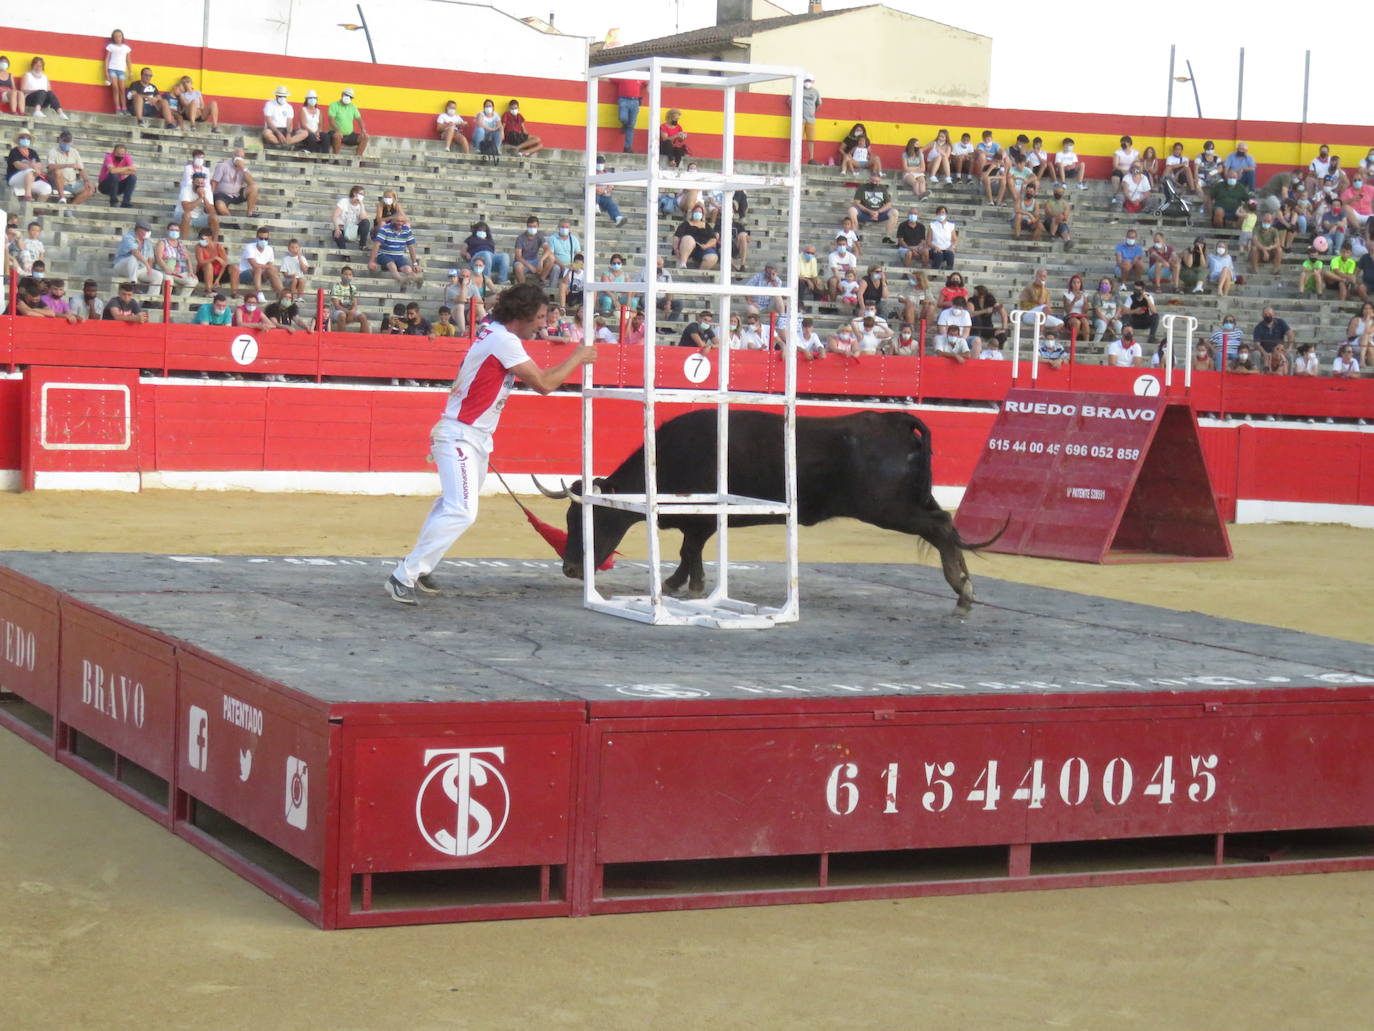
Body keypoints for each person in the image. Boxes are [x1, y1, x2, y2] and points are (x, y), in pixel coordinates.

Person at [385, 283, 598, 604]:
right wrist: (577, 357)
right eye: (539, 316)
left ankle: (420, 566)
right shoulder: (503, 340)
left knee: (451, 505)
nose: (544, 323)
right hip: (461, 435)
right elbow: (543, 384)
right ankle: (404, 575)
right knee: (461, 511)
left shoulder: (494, 332)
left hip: (471, 435)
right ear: (522, 315)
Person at [370, 214, 423, 291]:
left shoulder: (407, 230)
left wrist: (414, 263)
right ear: (392, 221)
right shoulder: (385, 229)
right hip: (384, 255)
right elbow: (376, 245)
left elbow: (411, 247)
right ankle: (401, 280)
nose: (400, 223)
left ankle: (416, 279)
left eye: (402, 221)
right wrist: (372, 261)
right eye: (398, 221)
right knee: (392, 265)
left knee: (408, 268)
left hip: (399, 256)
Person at [231, 226, 282, 298]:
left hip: (261, 275)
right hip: (246, 275)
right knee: (258, 269)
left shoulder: (269, 249)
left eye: (266, 239)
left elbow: (269, 266)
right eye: (261, 238)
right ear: (257, 238)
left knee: (271, 270)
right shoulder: (249, 247)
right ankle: (259, 293)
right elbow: (254, 265)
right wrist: (269, 267)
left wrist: (270, 268)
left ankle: (281, 293)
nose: (263, 240)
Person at [113, 218, 164, 291]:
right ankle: (133, 284)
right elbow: (135, 252)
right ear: (139, 230)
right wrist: (146, 265)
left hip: (140, 268)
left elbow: (150, 258)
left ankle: (150, 300)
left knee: (158, 275)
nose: (148, 232)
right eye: (146, 230)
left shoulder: (148, 241)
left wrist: (149, 268)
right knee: (133, 258)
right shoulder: (128, 237)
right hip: (123, 266)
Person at [46, 131, 93, 206]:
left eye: (68, 142)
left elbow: (81, 168)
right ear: (60, 140)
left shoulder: (74, 152)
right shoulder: (53, 152)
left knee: (90, 190)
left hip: (72, 182)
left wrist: (86, 180)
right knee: (58, 171)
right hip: (57, 182)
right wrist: (67, 165)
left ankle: (69, 208)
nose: (66, 144)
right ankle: (62, 197)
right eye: (64, 142)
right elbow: (50, 167)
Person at [849, 171, 898, 243]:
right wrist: (869, 211)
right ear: (869, 180)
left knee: (895, 212)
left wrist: (878, 212)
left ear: (880, 180)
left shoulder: (882, 188)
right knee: (852, 210)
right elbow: (856, 203)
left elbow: (889, 204)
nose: (874, 183)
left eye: (877, 181)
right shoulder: (862, 187)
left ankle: (888, 237)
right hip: (864, 213)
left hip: (879, 214)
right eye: (873, 181)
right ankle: (855, 235)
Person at [211, 148, 258, 218]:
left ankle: (250, 213)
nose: (239, 158)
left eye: (242, 157)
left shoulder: (244, 168)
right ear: (233, 156)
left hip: (236, 194)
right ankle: (233, 223)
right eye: (238, 156)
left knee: (254, 187)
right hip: (222, 194)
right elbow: (214, 183)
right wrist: (210, 199)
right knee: (220, 206)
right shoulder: (223, 166)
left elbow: (251, 182)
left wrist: (243, 168)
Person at [154, 221, 198, 293]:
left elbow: (188, 259)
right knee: (169, 280)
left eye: (177, 230)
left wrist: (191, 271)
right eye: (172, 230)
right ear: (167, 231)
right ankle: (165, 303)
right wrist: (166, 268)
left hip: (180, 272)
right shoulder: (162, 242)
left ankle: (181, 302)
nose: (174, 232)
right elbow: (158, 258)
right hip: (165, 271)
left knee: (193, 281)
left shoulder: (181, 244)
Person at [7, 131, 52, 201]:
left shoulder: (32, 152)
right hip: (16, 178)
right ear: (19, 139)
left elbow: (40, 165)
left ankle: (36, 210)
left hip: (31, 179)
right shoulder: (14, 151)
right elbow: (18, 165)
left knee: (47, 188)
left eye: (28, 138)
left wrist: (34, 167)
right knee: (29, 171)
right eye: (23, 138)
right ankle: (28, 195)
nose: (25, 139)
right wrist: (33, 167)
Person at [673, 205, 719, 270]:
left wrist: (706, 246)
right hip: (688, 247)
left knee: (712, 257)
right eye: (696, 211)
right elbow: (677, 237)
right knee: (688, 239)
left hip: (702, 248)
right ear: (692, 213)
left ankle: (699, 274)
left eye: (700, 212)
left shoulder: (706, 225)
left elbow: (713, 239)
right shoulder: (685, 224)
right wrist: (675, 248)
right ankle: (683, 263)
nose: (698, 213)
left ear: (702, 215)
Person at [513, 216, 554, 285]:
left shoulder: (539, 236)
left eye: (534, 226)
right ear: (527, 226)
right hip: (523, 262)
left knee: (551, 258)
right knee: (518, 266)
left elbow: (548, 249)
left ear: (538, 226)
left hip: (535, 260)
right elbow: (518, 256)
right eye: (530, 226)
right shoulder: (520, 238)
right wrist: (530, 266)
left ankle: (541, 280)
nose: (532, 228)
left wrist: (541, 260)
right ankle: (523, 287)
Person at [328, 88, 369, 156]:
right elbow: (331, 120)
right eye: (346, 95)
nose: (348, 97)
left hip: (349, 135)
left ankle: (357, 159)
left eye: (350, 97)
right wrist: (337, 130)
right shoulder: (334, 105)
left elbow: (359, 119)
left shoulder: (353, 107)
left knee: (365, 137)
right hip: (335, 133)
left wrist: (363, 130)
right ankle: (336, 159)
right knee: (337, 136)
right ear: (342, 94)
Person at [329, 266, 369, 333]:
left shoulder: (353, 288)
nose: (348, 277)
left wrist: (353, 311)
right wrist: (349, 312)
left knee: (363, 317)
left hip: (350, 310)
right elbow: (337, 306)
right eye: (346, 274)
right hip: (337, 311)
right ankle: (342, 338)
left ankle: (364, 338)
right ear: (341, 275)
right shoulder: (336, 287)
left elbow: (355, 303)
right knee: (342, 315)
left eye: (350, 275)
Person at [933, 297, 973, 363]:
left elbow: (966, 332)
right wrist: (951, 337)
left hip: (962, 338)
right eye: (956, 306)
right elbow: (942, 331)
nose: (957, 309)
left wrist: (958, 340)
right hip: (946, 337)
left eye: (960, 308)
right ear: (952, 305)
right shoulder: (944, 313)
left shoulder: (966, 314)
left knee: (977, 341)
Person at [97, 142, 136, 208]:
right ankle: (113, 201)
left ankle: (126, 202)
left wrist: (117, 170)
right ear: (113, 152)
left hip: (118, 187)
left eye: (122, 154)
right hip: (104, 186)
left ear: (125, 153)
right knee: (113, 176)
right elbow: (112, 171)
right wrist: (127, 168)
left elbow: (133, 171)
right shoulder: (108, 157)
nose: (120, 155)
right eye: (118, 154)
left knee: (133, 178)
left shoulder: (127, 157)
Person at [332, 185, 370, 254]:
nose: (362, 196)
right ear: (354, 193)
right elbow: (334, 216)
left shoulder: (361, 205)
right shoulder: (344, 201)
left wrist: (361, 204)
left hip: (354, 230)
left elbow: (363, 218)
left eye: (363, 195)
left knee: (366, 222)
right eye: (360, 194)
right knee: (338, 235)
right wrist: (337, 229)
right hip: (342, 228)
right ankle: (345, 254)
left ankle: (362, 245)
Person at [593, 156, 627, 226]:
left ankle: (618, 218)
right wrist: (603, 190)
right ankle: (595, 207)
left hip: (605, 197)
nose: (600, 165)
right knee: (594, 192)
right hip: (594, 196)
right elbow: (592, 188)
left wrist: (603, 191)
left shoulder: (608, 175)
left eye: (601, 163)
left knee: (611, 204)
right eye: (598, 163)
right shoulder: (592, 174)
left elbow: (611, 187)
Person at [104, 30, 131, 115]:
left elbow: (128, 60)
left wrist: (130, 72)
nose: (118, 38)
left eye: (119, 36)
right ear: (113, 38)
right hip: (112, 69)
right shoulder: (111, 46)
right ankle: (118, 108)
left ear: (122, 37)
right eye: (116, 36)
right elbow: (107, 59)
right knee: (115, 88)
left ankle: (124, 108)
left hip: (121, 71)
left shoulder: (126, 48)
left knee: (122, 89)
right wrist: (106, 72)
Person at [613, 78, 643, 154]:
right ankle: (625, 125)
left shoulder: (639, 77)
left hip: (635, 100)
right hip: (624, 99)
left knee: (631, 125)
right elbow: (611, 79)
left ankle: (627, 147)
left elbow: (647, 81)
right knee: (623, 118)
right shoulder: (623, 76)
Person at [195, 231, 227, 295]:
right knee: (208, 265)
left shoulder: (219, 247)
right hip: (203, 272)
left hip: (218, 273)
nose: (202, 241)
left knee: (234, 268)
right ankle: (208, 290)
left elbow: (224, 264)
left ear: (210, 238)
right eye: (200, 239)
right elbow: (201, 262)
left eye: (203, 239)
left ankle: (234, 293)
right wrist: (214, 258)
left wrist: (218, 279)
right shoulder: (199, 247)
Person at [1091, 278, 1121, 342]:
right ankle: (1094, 344)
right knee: (1102, 325)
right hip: (1099, 319)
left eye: (1106, 283)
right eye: (1102, 283)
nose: (1104, 285)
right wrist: (1106, 321)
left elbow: (1119, 308)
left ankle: (1116, 344)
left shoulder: (1115, 295)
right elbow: (1097, 310)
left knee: (1119, 325)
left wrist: (1114, 318)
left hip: (1113, 319)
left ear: (1111, 285)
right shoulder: (1097, 295)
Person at [1347, 301, 1374, 368]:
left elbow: (1367, 331)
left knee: (1370, 348)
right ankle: (1362, 360)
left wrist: (1368, 319)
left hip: (1370, 343)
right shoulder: (1356, 320)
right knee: (1365, 336)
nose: (1368, 310)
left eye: (1370, 308)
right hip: (1356, 343)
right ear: (1362, 310)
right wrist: (1361, 335)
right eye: (1365, 308)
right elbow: (1350, 334)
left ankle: (1369, 368)